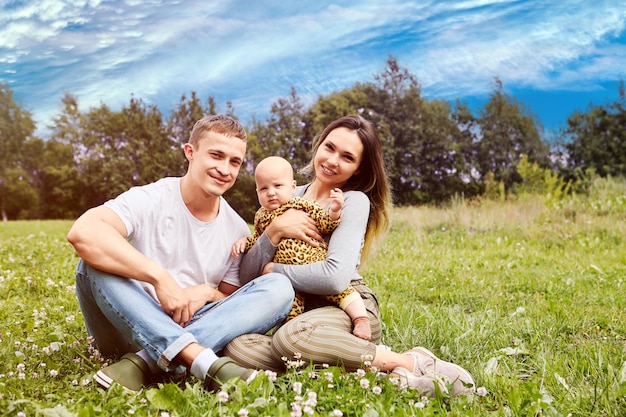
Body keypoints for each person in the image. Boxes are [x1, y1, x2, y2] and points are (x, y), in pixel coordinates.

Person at [223, 114, 475, 397]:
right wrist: (274, 231)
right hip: (303, 317)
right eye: (329, 148)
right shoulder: (283, 195)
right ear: (319, 146)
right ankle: (384, 378)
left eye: (347, 157)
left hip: (348, 308)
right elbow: (246, 277)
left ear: (357, 169)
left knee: (289, 340)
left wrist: (274, 271)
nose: (332, 160)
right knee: (238, 346)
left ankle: (412, 361)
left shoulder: (353, 201)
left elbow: (334, 278)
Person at [67, 115, 294, 393]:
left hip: (192, 325)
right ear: (190, 152)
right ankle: (204, 363)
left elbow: (228, 301)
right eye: (216, 155)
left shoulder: (236, 227)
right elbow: (83, 232)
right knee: (91, 263)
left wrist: (208, 294)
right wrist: (159, 278)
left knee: (279, 286)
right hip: (124, 326)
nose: (225, 169)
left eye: (234, 162)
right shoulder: (151, 198)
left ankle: (145, 362)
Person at [231, 155, 372, 340]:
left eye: (277, 186)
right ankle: (286, 340)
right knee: (284, 321)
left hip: (316, 267)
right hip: (291, 286)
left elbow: (325, 225)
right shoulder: (261, 216)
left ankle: (361, 319)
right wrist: (249, 240)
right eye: (263, 188)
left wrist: (335, 211)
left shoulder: (302, 204)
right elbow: (257, 241)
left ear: (291, 186)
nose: (271, 192)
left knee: (344, 295)